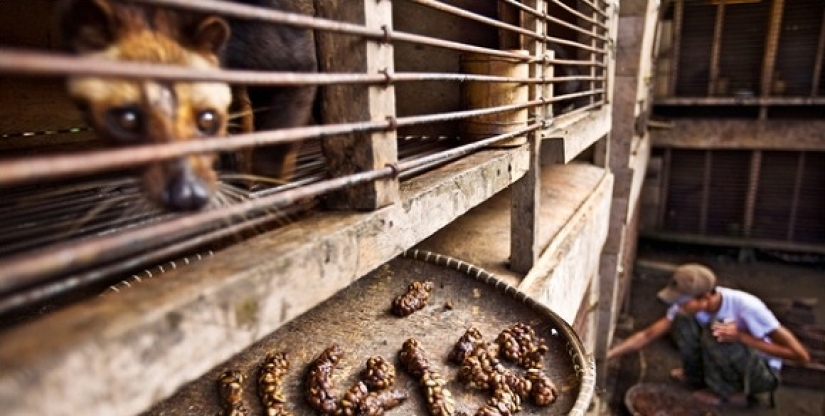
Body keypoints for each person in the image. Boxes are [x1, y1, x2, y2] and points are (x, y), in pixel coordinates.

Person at [607, 263, 810, 407]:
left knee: (719, 330)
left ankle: (731, 395)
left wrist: (742, 337)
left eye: (684, 301)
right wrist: (607, 354)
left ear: (705, 297)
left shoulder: (748, 307)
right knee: (683, 321)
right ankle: (696, 376)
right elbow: (648, 335)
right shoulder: (687, 309)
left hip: (761, 373)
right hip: (728, 358)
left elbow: (800, 355)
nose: (680, 306)